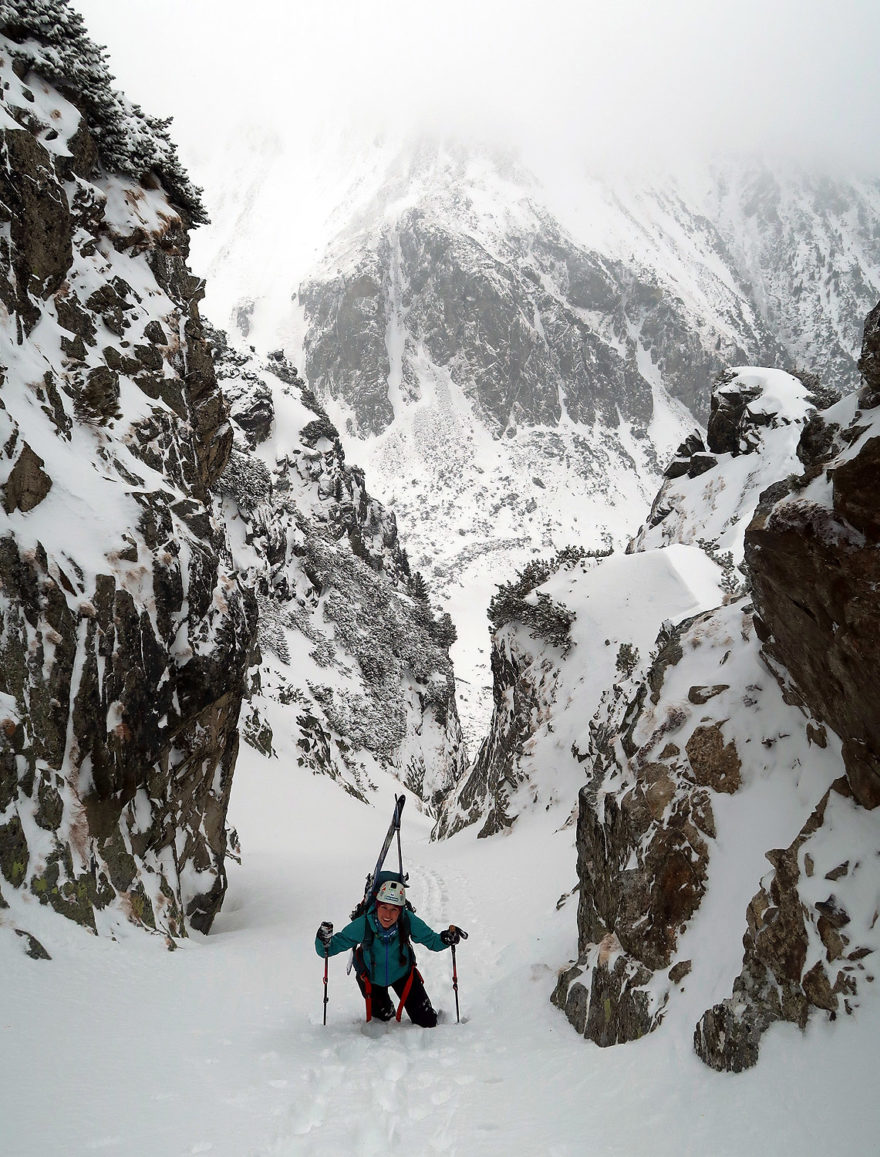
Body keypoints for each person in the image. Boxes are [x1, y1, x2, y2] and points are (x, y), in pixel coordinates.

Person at [315, 879, 464, 1027]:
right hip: (371, 978)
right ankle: (386, 1008)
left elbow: (432, 940)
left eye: (394, 909)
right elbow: (327, 950)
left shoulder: (407, 920)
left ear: (401, 910)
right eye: (384, 907)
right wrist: (323, 940)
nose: (388, 914)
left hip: (403, 973)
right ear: (377, 905)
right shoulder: (363, 924)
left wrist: (445, 939)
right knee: (383, 1017)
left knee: (427, 1021)